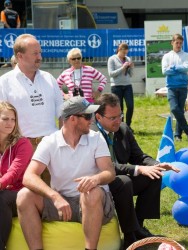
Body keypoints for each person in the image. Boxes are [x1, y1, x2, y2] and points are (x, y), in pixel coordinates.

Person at [16, 96, 115, 250]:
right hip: (62, 203)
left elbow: (109, 172)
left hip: (93, 202)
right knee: (24, 195)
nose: (92, 120)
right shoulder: (49, 142)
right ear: (73, 119)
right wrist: (54, 197)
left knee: (91, 193)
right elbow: (29, 176)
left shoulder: (96, 138)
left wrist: (95, 179)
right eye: (88, 116)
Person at [92, 93, 180, 250]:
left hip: (118, 179)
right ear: (98, 117)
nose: (118, 121)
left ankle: (138, 227)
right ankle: (130, 236)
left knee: (154, 175)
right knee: (124, 182)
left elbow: (138, 156)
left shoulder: (123, 129)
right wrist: (138, 169)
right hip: (97, 183)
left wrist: (157, 165)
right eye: (113, 118)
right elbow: (106, 166)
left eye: (120, 115)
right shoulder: (91, 134)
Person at [0, 34, 64, 184]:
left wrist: (63, 141)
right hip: (20, 149)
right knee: (25, 196)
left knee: (54, 193)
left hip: (51, 146)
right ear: (20, 56)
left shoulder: (49, 78)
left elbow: (62, 113)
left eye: (40, 52)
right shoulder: (4, 82)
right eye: (35, 53)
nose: (40, 57)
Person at [0, 101, 33, 250]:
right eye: (5, 119)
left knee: (2, 198)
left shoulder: (23, 143)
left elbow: (13, 173)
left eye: (13, 119)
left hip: (21, 193)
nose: (10, 123)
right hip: (2, 190)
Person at [161, 34, 188, 141]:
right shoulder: (167, 56)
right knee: (174, 109)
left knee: (180, 110)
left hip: (183, 86)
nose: (179, 45)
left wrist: (174, 68)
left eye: (180, 43)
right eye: (177, 43)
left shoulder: (186, 55)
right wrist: (180, 68)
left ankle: (177, 135)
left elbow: (187, 68)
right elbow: (165, 71)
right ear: (172, 43)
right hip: (171, 87)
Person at [107, 43, 134, 131]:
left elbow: (131, 75)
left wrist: (131, 68)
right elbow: (111, 74)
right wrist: (122, 68)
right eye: (123, 53)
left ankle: (128, 125)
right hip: (116, 86)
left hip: (127, 85)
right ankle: (121, 127)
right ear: (119, 50)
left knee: (130, 105)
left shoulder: (128, 59)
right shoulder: (112, 59)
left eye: (126, 53)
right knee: (119, 108)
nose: (125, 55)